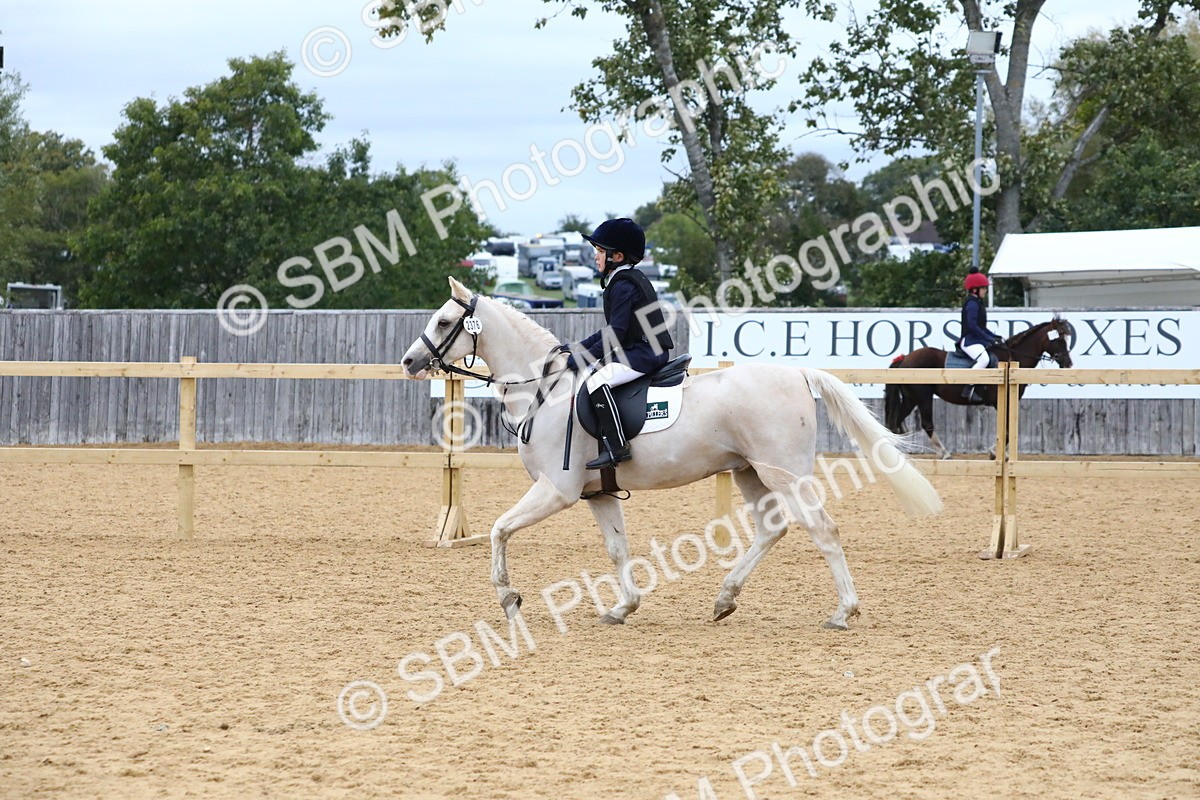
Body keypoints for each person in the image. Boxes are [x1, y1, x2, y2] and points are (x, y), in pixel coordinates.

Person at [562, 218, 673, 469]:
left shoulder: (623, 285)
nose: (596, 256)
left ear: (618, 256)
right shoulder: (625, 280)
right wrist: (580, 347)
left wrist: (583, 358)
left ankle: (617, 446)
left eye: (601, 251)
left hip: (646, 353)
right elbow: (610, 331)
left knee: (596, 381)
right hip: (640, 350)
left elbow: (617, 333)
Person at [960, 266, 1003, 404]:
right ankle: (968, 389)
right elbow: (972, 326)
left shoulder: (978, 303)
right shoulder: (972, 304)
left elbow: (982, 328)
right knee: (984, 360)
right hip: (969, 341)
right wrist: (988, 338)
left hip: (977, 340)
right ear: (975, 290)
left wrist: (994, 337)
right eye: (983, 288)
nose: (985, 290)